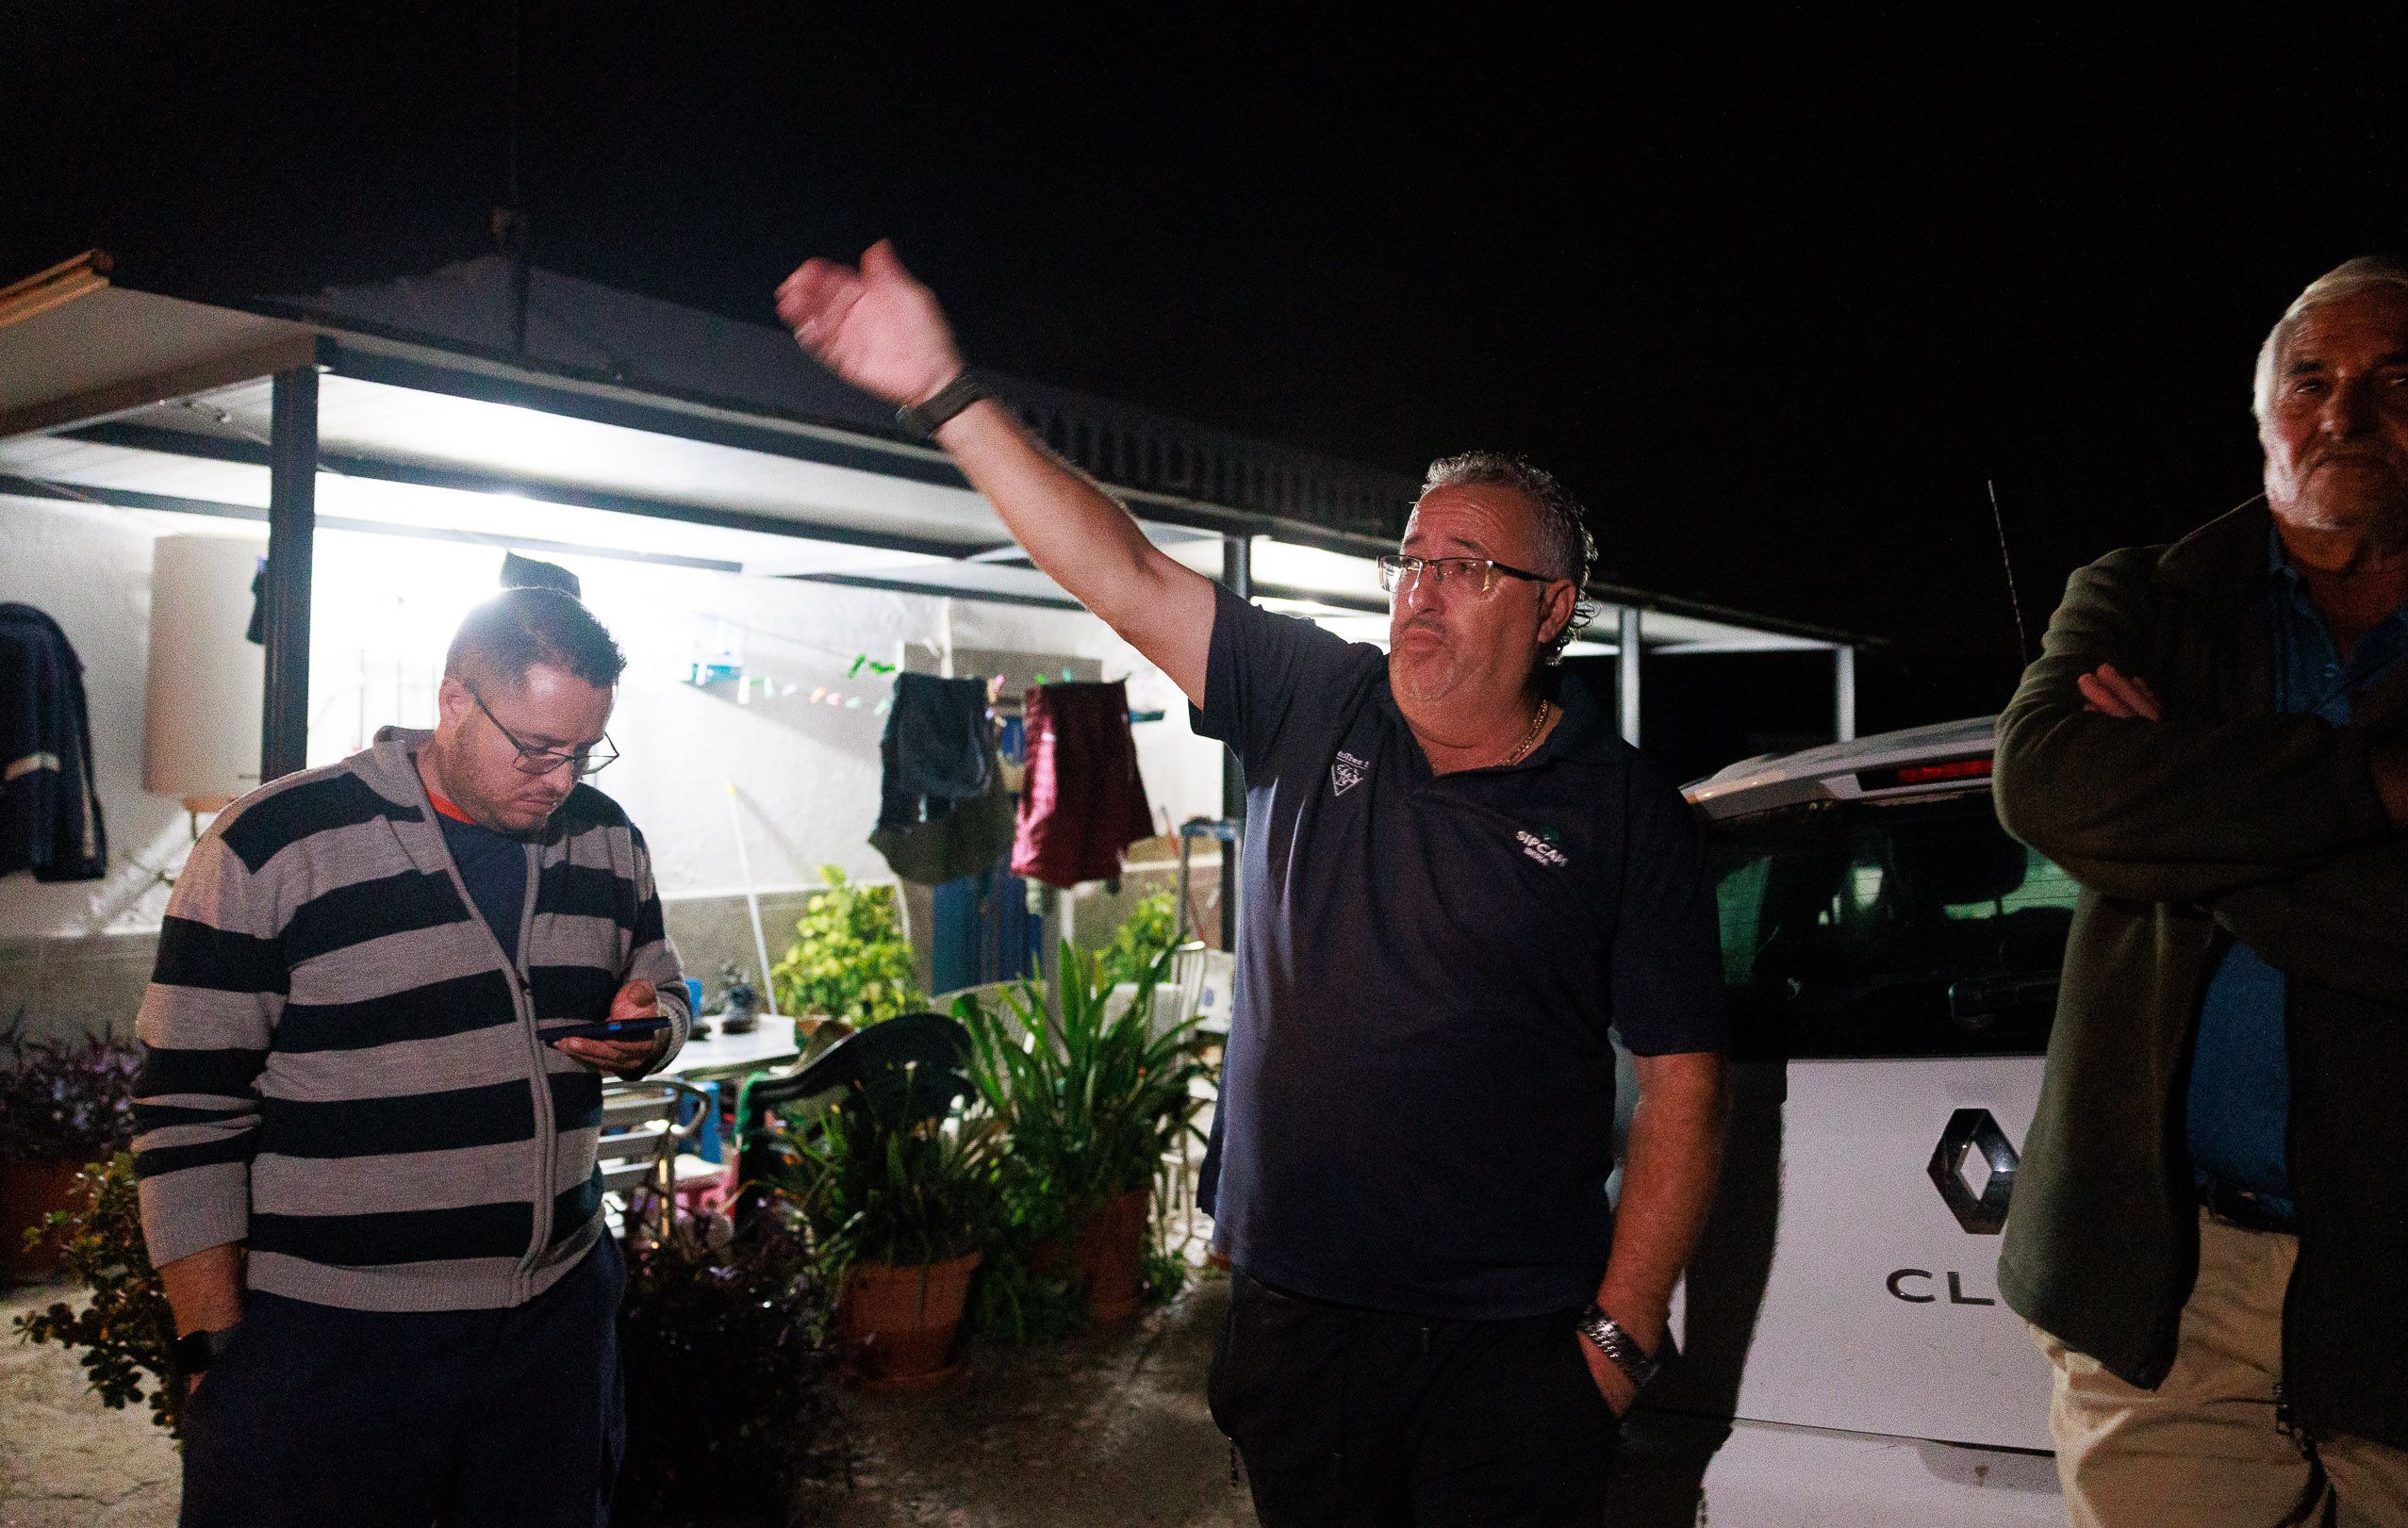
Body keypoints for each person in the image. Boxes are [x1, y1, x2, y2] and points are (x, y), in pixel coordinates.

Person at [779, 242, 1729, 1526]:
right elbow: (1122, 573)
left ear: (1554, 607)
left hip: (1508, 1351)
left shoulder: (1621, 813)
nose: (1422, 593)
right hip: (1298, 1334)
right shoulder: (1314, 697)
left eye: (1467, 567)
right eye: (1412, 558)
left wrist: (1618, 1343)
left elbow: (1685, 1083)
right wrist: (944, 392)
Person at [1993, 257, 2408, 1525]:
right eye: (2310, 379)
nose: (2341, 410)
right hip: (2164, 1294)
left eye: (2395, 377)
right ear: (2262, 424)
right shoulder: (2148, 598)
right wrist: (2401, 795)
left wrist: (2191, 833)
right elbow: (2046, 784)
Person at [134, 585, 691, 1528]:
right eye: (537, 749)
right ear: (453, 701)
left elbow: (660, 981)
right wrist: (215, 1349)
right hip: (333, 1341)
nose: (561, 780)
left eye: (585, 750)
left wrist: (655, 1028)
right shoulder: (272, 847)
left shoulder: (608, 842)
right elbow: (186, 1111)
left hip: (553, 1329)